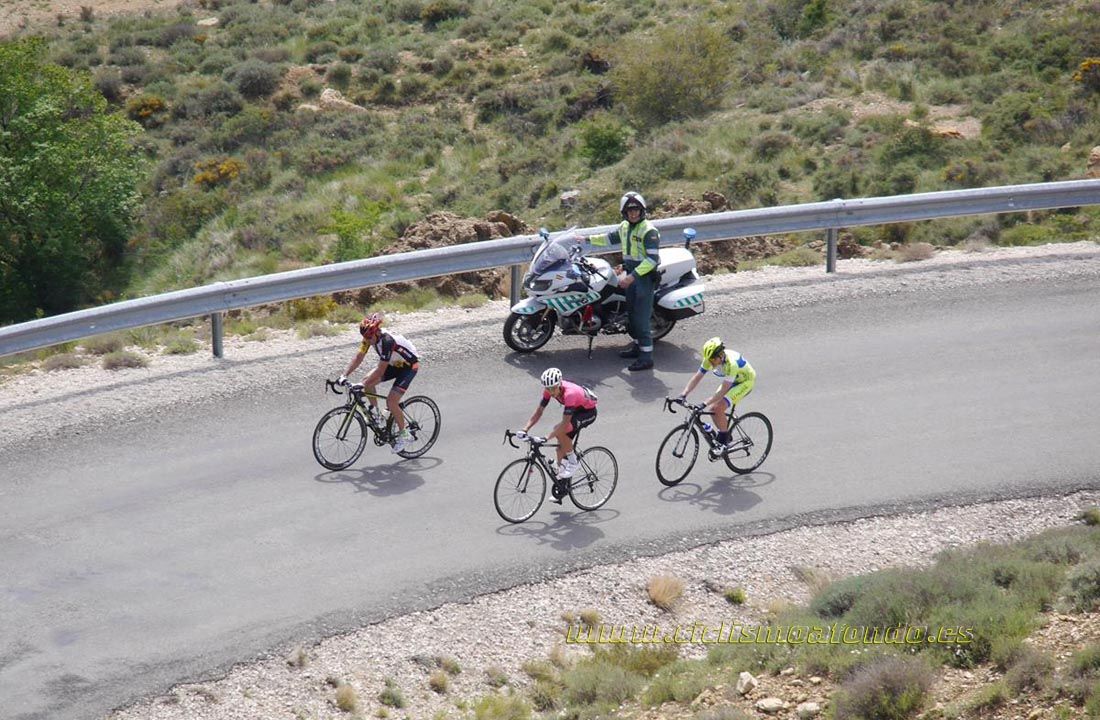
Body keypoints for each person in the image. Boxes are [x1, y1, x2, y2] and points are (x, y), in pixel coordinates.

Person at [580, 191, 661, 371]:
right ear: (624, 212)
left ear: (642, 210)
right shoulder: (625, 226)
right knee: (631, 315)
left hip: (643, 278)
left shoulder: (649, 231)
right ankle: (637, 347)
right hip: (631, 274)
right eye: (630, 211)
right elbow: (608, 238)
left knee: (641, 319)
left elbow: (652, 260)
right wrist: (586, 239)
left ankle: (646, 358)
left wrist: (632, 277)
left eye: (636, 210)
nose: (633, 213)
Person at [338, 312, 420, 454]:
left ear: (376, 332)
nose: (367, 340)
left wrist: (362, 385)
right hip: (394, 364)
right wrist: (344, 375)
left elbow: (381, 370)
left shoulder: (387, 341)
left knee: (391, 402)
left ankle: (405, 434)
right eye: (365, 337)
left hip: (408, 367)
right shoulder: (368, 337)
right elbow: (359, 357)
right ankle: (376, 414)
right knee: (367, 382)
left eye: (369, 337)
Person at [515, 368, 599, 498]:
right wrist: (525, 429)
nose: (551, 392)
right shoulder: (549, 390)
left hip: (587, 412)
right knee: (560, 449)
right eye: (548, 389)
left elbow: (565, 424)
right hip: (575, 410)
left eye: (553, 388)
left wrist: (545, 438)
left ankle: (573, 462)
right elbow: (539, 412)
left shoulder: (569, 394)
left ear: (559, 384)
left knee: (560, 430)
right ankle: (562, 485)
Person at [675, 337, 756, 453]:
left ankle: (723, 441)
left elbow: (723, 391)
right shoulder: (710, 358)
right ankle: (725, 434)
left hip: (745, 382)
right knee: (713, 409)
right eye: (710, 360)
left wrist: (703, 403)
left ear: (721, 355)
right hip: (732, 381)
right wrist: (683, 394)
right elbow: (697, 377)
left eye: (713, 360)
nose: (711, 363)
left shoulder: (731, 365)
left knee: (718, 407)